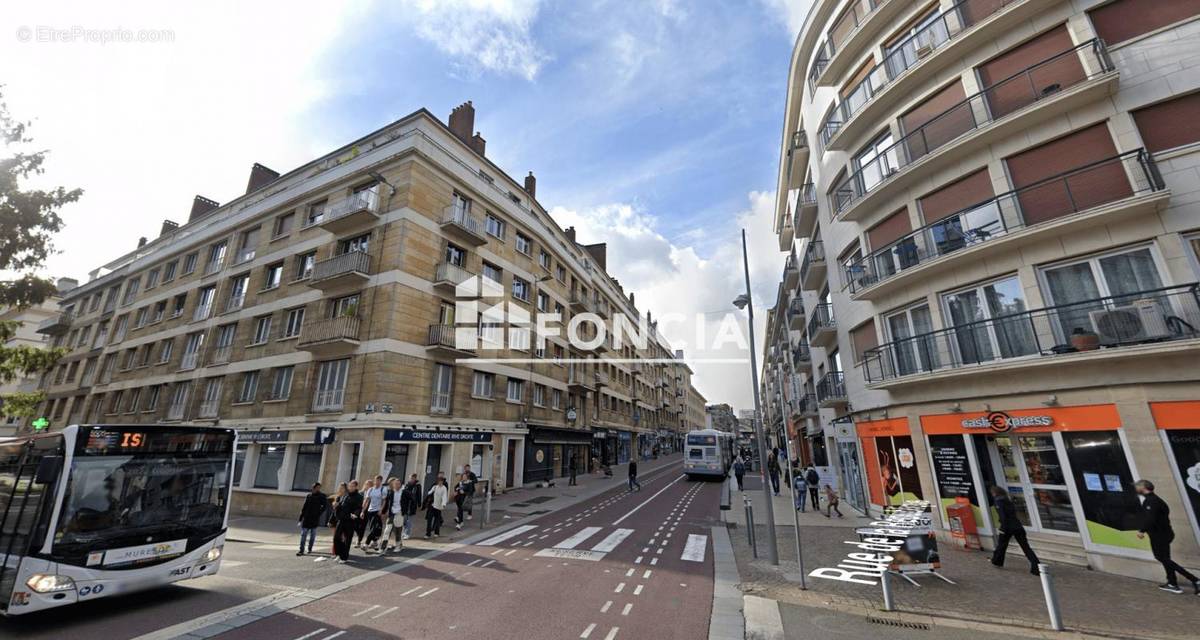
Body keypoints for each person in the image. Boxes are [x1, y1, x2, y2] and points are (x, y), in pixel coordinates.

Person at [1135, 480, 1199, 594]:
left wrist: (1142, 530)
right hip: (1164, 533)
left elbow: (1151, 519)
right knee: (1166, 558)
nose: (1136, 490)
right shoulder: (1155, 500)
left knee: (1162, 558)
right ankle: (1172, 583)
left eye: (1137, 487)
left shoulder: (1152, 501)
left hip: (1159, 535)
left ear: (1143, 487)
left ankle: (1195, 580)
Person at [989, 485, 1040, 576]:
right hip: (1018, 526)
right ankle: (1036, 566)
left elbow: (1003, 516)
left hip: (1008, 527)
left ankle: (997, 561)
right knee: (1025, 547)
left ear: (995, 493)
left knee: (1001, 545)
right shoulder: (1008, 500)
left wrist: (1002, 528)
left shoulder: (998, 502)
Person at [332, 480, 363, 563]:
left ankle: (344, 557)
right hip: (341, 519)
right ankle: (339, 554)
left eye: (352, 486)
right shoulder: (345, 495)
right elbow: (341, 504)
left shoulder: (359, 496)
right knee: (336, 537)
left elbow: (359, 507)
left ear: (356, 487)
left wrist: (355, 514)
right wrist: (337, 506)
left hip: (350, 521)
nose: (350, 487)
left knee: (347, 540)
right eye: (349, 486)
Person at [297, 482, 327, 556]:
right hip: (306, 518)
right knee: (303, 534)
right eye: (316, 488)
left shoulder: (322, 496)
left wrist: (318, 513)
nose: (317, 489)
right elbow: (304, 508)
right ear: (313, 488)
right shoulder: (309, 496)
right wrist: (300, 519)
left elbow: (324, 507)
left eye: (319, 488)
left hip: (314, 518)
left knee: (312, 535)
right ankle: (301, 550)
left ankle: (310, 548)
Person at [362, 475, 387, 551]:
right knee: (373, 528)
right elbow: (367, 500)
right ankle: (375, 542)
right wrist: (363, 511)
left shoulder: (383, 489)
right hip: (370, 511)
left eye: (379, 481)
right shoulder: (370, 489)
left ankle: (366, 544)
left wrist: (381, 510)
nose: (377, 482)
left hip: (377, 511)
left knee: (374, 528)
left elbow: (384, 501)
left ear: (381, 481)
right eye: (376, 480)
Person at [380, 477, 405, 553]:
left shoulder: (404, 492)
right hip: (392, 513)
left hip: (399, 513)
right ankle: (383, 547)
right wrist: (383, 512)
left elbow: (412, 500)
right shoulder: (390, 492)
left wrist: (407, 511)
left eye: (398, 484)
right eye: (394, 484)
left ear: (400, 485)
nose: (396, 485)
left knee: (398, 530)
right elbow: (387, 503)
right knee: (387, 530)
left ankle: (398, 545)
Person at [424, 474, 449, 538]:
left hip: (439, 506)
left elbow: (444, 496)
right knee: (429, 520)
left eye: (441, 481)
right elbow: (429, 492)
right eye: (439, 481)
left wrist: (444, 504)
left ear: (443, 482)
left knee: (437, 520)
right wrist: (429, 492)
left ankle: (436, 532)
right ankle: (428, 533)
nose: (440, 482)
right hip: (432, 505)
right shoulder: (435, 487)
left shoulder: (444, 488)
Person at [400, 473, 422, 540]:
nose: (411, 479)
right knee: (404, 520)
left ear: (415, 478)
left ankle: (407, 533)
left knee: (409, 520)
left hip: (412, 505)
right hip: (405, 505)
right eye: (410, 478)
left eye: (412, 478)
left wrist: (419, 504)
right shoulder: (406, 485)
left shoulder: (417, 486)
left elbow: (419, 495)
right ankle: (403, 532)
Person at [354, 479, 372, 548]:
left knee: (362, 526)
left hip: (366, 512)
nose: (368, 486)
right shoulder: (360, 493)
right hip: (358, 511)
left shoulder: (371, 493)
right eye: (367, 484)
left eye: (370, 485)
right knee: (355, 524)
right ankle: (359, 535)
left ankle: (359, 541)